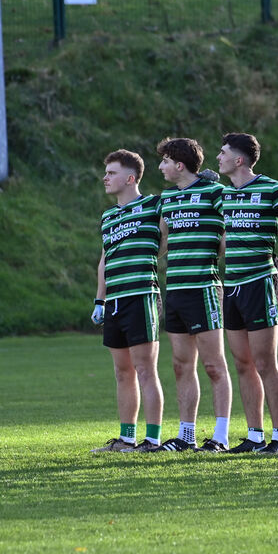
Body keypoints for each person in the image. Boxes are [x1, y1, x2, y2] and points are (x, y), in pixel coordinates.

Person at [217, 133, 278, 454]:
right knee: (242, 363)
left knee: (265, 362)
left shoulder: (272, 188)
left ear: (239, 160)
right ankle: (254, 436)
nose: (218, 158)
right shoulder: (222, 195)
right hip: (231, 285)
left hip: (261, 282)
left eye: (222, 153)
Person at [153, 137, 232, 452]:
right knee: (180, 365)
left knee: (214, 365)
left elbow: (231, 231)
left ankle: (221, 437)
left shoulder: (216, 193)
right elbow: (162, 241)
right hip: (177, 290)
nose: (160, 167)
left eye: (164, 162)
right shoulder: (167, 198)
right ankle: (186, 436)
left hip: (204, 289)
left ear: (179, 164)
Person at [90, 150, 165, 453]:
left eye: (111, 172)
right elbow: (105, 259)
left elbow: (168, 236)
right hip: (115, 301)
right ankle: (126, 438)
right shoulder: (109, 216)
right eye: (105, 172)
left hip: (141, 296)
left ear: (130, 178)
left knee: (145, 369)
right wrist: (100, 299)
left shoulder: (152, 204)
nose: (105, 178)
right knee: (123, 372)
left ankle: (153, 439)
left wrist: (148, 258)